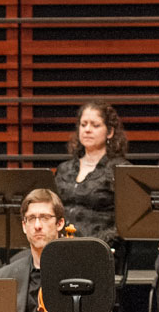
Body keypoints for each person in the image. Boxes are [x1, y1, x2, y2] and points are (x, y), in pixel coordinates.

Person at [53, 101, 128, 246]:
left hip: (98, 247)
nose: (87, 130)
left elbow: (125, 224)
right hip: (59, 244)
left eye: (95, 125)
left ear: (110, 132)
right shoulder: (64, 169)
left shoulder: (119, 170)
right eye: (83, 124)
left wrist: (94, 243)